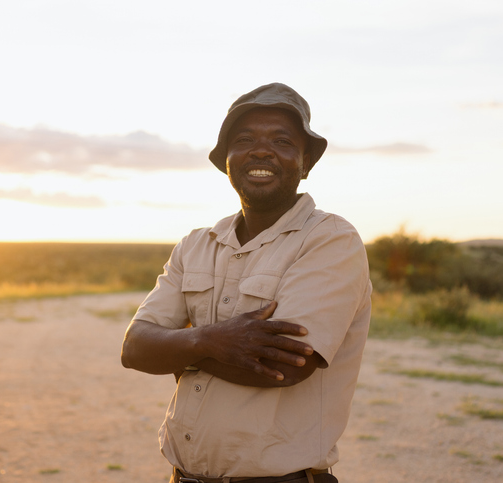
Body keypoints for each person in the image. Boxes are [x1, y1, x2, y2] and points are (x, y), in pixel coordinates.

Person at [121, 83, 372, 483]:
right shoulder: (195, 244)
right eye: (244, 139)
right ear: (226, 162)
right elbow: (135, 347)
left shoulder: (330, 240)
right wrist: (212, 341)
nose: (260, 150)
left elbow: (286, 365)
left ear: (305, 163)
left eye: (282, 140)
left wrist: (180, 345)